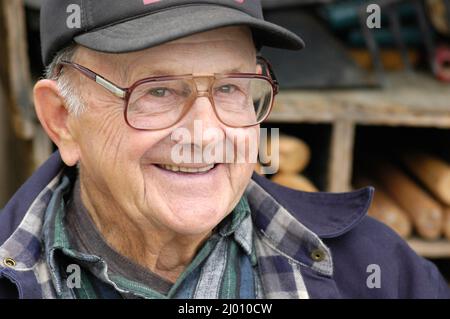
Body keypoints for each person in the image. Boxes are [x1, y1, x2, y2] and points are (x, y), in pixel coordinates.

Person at [1, 0, 449, 299]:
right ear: (62, 120)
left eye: (231, 86)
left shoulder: (377, 271)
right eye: (157, 91)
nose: (205, 132)